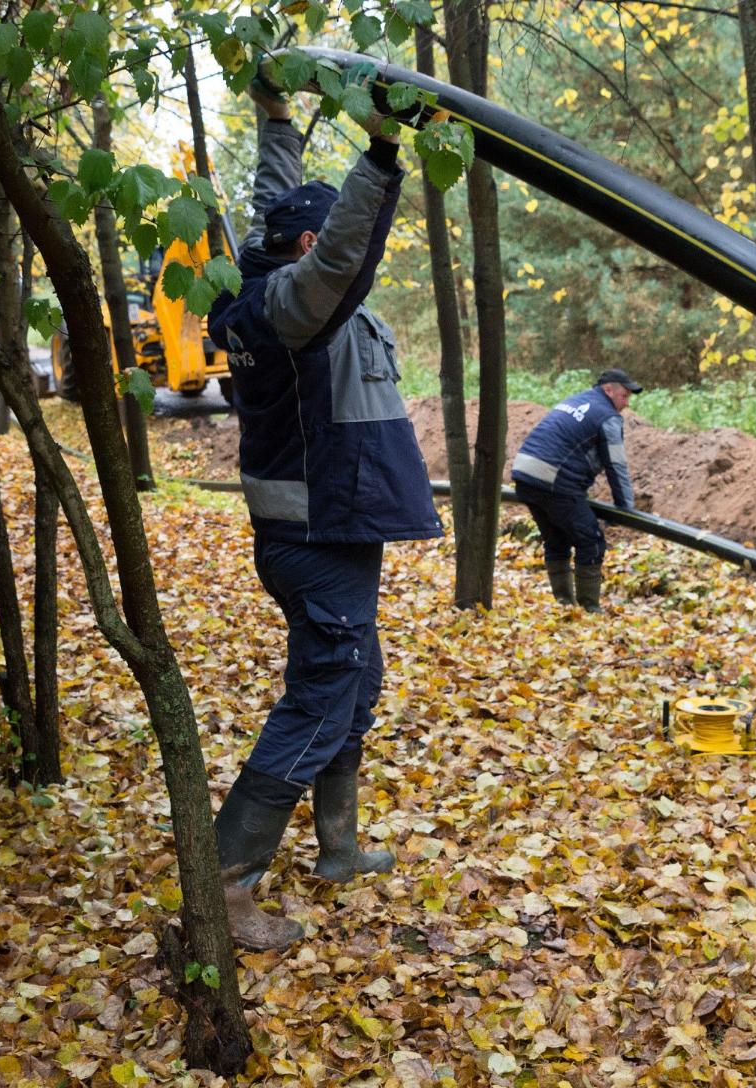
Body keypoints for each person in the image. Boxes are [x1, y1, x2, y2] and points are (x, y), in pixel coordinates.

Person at [205, 79, 442, 952]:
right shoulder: (288, 306)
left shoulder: (270, 278)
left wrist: (274, 121)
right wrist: (381, 155)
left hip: (329, 532)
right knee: (320, 699)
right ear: (305, 246)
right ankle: (226, 887)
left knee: (357, 683)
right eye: (318, 235)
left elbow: (281, 207)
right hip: (315, 535)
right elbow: (339, 253)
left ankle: (337, 849)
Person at [510, 368, 643, 610]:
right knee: (590, 540)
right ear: (608, 390)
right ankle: (588, 609)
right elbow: (616, 464)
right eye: (624, 396)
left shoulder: (577, 400)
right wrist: (625, 508)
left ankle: (564, 605)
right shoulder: (607, 416)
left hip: (525, 473)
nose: (625, 404)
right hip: (553, 480)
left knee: (557, 539)